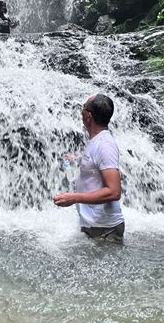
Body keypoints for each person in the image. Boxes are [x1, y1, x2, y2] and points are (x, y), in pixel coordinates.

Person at [53, 94, 125, 241]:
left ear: (89, 116)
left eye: (83, 108)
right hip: (95, 225)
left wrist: (74, 198)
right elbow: (97, 162)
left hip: (105, 230)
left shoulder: (105, 145)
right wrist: (78, 159)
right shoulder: (98, 141)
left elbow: (114, 192)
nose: (81, 111)